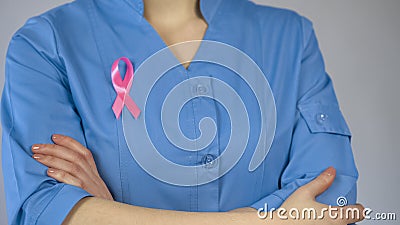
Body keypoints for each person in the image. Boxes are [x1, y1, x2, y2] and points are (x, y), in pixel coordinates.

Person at [1, 0, 364, 224]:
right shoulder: (46, 44)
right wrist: (265, 222)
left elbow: (329, 202)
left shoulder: (290, 36)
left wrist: (107, 213)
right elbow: (46, 210)